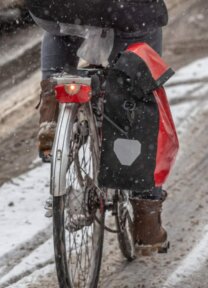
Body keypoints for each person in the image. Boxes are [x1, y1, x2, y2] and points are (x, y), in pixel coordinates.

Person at [26, 0, 171, 252]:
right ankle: (146, 215)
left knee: (61, 24)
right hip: (124, 10)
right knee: (140, 89)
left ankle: (51, 114)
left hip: (59, 8)